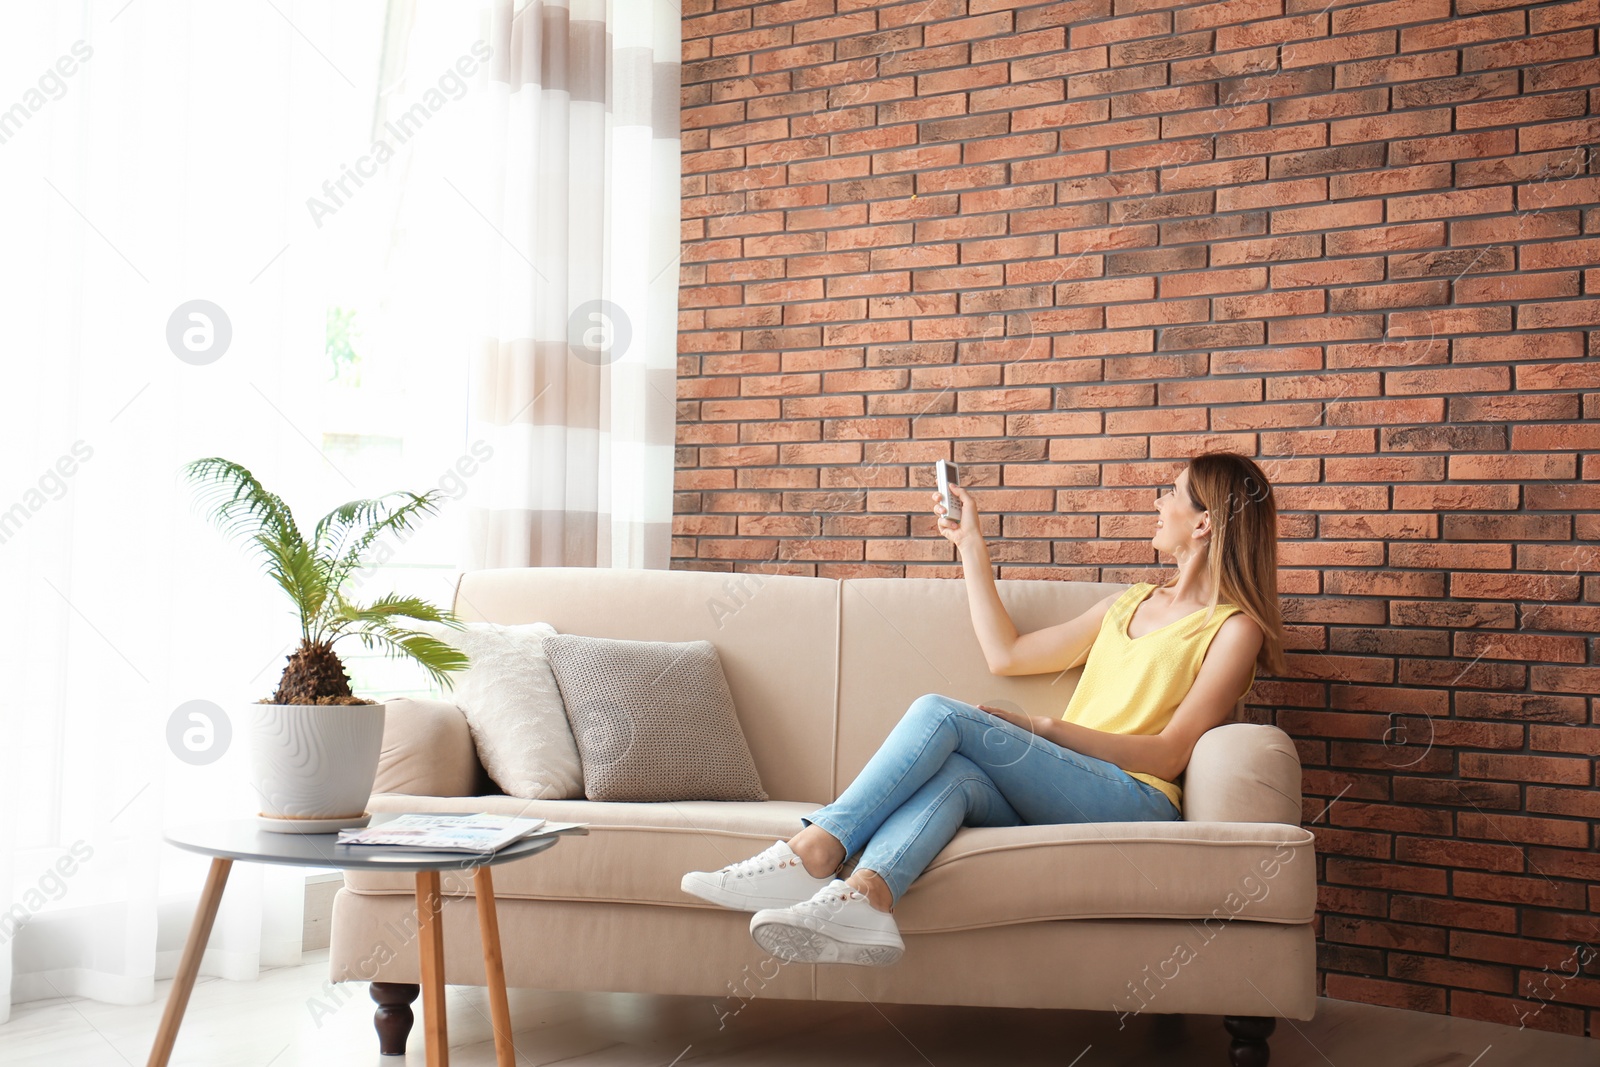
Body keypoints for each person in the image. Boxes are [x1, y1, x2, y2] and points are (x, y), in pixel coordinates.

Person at [682, 451, 1287, 966]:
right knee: (958, 778)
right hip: (1066, 786)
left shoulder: (1234, 630)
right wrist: (971, 544)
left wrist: (1043, 728)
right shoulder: (1127, 603)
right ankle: (864, 900)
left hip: (1138, 797)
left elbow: (1172, 751)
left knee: (941, 713)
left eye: (1171, 494)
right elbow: (1008, 654)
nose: (1158, 503)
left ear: (1205, 522)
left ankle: (813, 850)